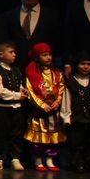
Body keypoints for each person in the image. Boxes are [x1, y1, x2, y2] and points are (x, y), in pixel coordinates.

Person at [0, 0, 63, 68]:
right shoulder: (8, 16)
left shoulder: (52, 16)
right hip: (15, 67)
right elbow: (4, 41)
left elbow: (58, 42)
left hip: (44, 68)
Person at [24, 43, 66, 171]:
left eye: (50, 55)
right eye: (44, 55)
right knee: (38, 138)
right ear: (37, 57)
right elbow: (30, 92)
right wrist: (42, 105)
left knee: (52, 136)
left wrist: (58, 101)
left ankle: (49, 159)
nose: (48, 57)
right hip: (39, 111)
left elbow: (61, 89)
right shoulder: (32, 73)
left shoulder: (56, 73)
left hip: (53, 110)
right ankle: (38, 160)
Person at [0, 42, 27, 171]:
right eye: (11, 52)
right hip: (2, 108)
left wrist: (22, 91)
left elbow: (18, 84)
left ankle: (15, 158)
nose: (14, 54)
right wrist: (17, 95)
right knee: (0, 134)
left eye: (14, 52)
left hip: (16, 108)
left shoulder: (16, 70)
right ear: (1, 54)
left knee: (16, 133)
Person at [62, 51, 90, 172]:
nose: (86, 67)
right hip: (77, 117)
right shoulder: (71, 82)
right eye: (83, 64)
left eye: (89, 64)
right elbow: (67, 100)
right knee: (76, 142)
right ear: (77, 65)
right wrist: (66, 117)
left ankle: (89, 162)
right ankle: (77, 163)